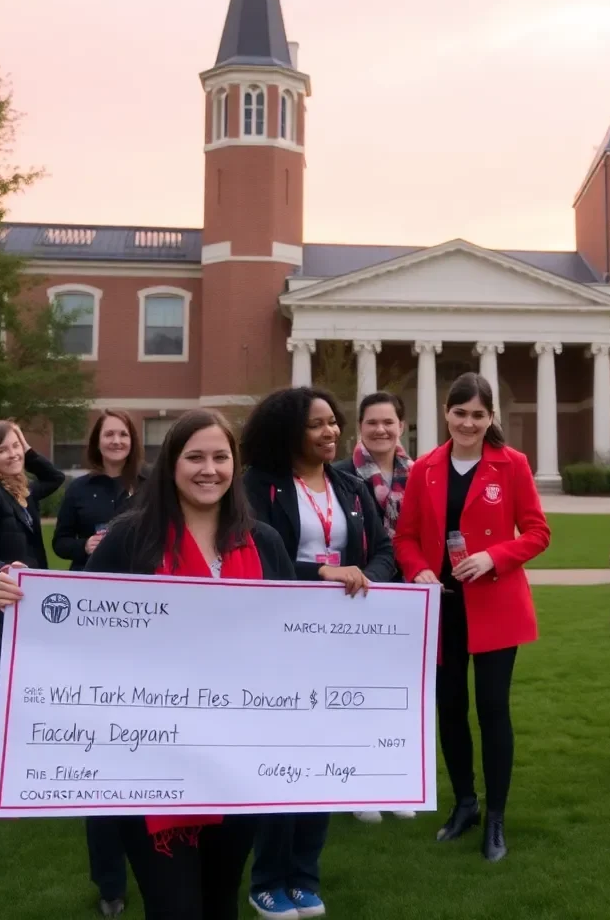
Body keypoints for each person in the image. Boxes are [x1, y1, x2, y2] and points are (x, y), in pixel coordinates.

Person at [0, 408, 295, 920]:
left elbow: (293, 637)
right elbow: (80, 625)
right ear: (171, 464)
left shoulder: (262, 542)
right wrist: (24, 598)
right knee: (174, 908)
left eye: (221, 457)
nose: (209, 469)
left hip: (237, 762)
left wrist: (340, 591)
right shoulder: (132, 538)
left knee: (221, 903)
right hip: (151, 762)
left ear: (235, 464)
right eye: (194, 456)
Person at [242, 386, 396, 919]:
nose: (331, 432)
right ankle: (267, 880)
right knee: (282, 760)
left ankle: (305, 877)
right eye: (317, 425)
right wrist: (323, 572)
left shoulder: (350, 487)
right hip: (277, 640)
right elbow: (257, 554)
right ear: (289, 432)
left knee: (323, 763)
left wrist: (363, 579)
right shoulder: (257, 487)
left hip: (339, 641)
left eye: (334, 422)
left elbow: (382, 552)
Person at [394, 372, 550, 862]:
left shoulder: (512, 464)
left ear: (490, 418)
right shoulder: (425, 468)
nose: (468, 422)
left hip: (496, 603)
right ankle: (466, 804)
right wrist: (418, 570)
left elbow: (538, 531)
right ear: (446, 413)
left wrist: (495, 557)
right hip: (443, 604)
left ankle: (497, 817)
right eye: (460, 413)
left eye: (478, 415)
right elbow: (405, 537)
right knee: (451, 708)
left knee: (492, 708)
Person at [51, 409, 146, 918]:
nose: (116, 440)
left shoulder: (152, 485)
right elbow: (60, 542)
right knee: (103, 749)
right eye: (108, 433)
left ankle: (161, 859)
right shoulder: (79, 489)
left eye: (123, 433)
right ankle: (109, 882)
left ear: (133, 441)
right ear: (98, 441)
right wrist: (83, 545)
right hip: (93, 621)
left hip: (152, 624)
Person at [0, 420, 64, 816]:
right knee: (1, 699)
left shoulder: (20, 491)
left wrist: (24, 443)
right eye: (2, 450)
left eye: (16, 447)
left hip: (17, 607)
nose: (14, 454)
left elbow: (54, 476)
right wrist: (7, 569)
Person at [335, 390, 416, 824]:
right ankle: (357, 786)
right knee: (355, 694)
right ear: (359, 427)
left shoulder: (418, 474)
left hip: (405, 598)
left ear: (401, 426)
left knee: (398, 696)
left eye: (389, 422)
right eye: (372, 423)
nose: (381, 430)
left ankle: (395, 781)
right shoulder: (341, 475)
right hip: (355, 593)